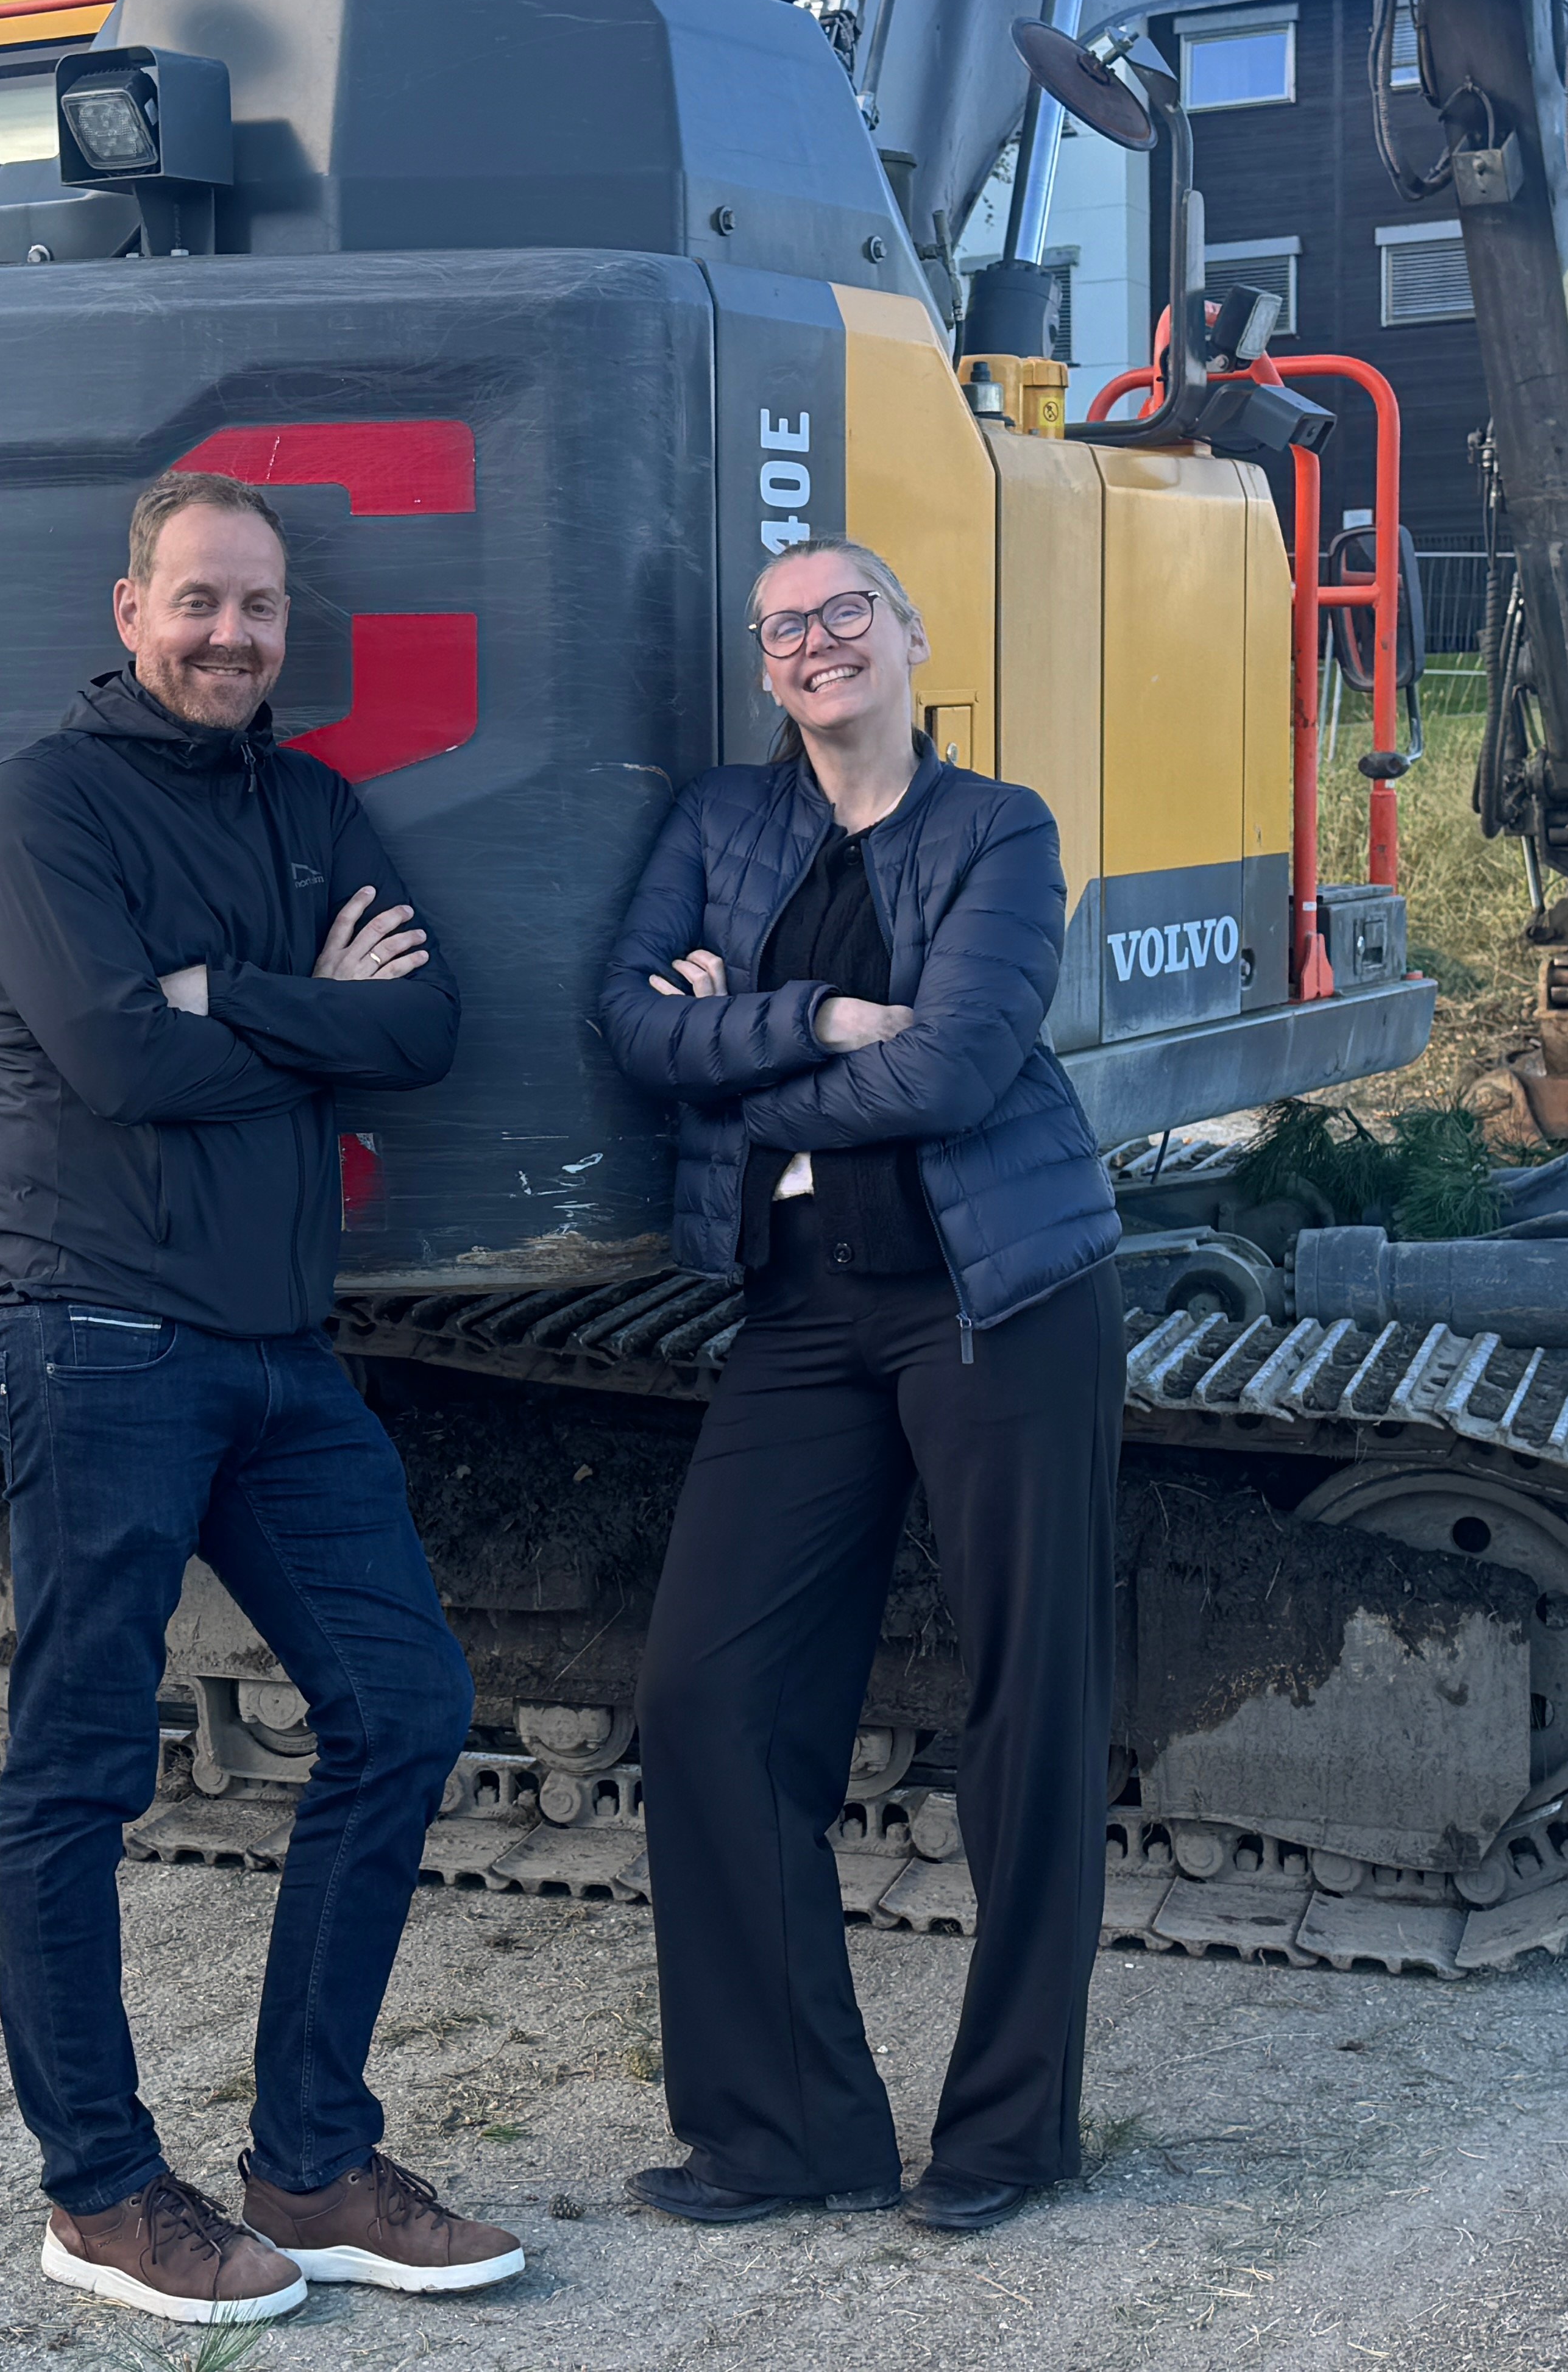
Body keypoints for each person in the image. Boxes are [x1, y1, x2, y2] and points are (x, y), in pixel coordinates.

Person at [0, 469, 523, 2325]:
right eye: (197, 601)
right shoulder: (48, 801)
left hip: (280, 1350)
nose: (231, 635)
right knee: (83, 1764)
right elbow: (115, 1054)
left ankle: (310, 2157)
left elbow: (423, 1031)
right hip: (101, 1328)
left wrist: (232, 989)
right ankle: (102, 2188)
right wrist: (298, 1005)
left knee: (408, 1702)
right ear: (129, 609)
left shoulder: (312, 799)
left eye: (260, 608)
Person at [599, 534, 1126, 2238]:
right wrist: (824, 1017)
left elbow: (968, 1062)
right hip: (805, 1308)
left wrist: (734, 1054)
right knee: (708, 1693)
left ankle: (1007, 2134)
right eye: (784, 627)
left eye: (845, 612)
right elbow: (628, 1024)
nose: (817, 642)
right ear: (769, 671)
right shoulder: (714, 824)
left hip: (1000, 1295)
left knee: (1026, 1711)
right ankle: (787, 2129)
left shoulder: (1000, 830)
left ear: (907, 634)